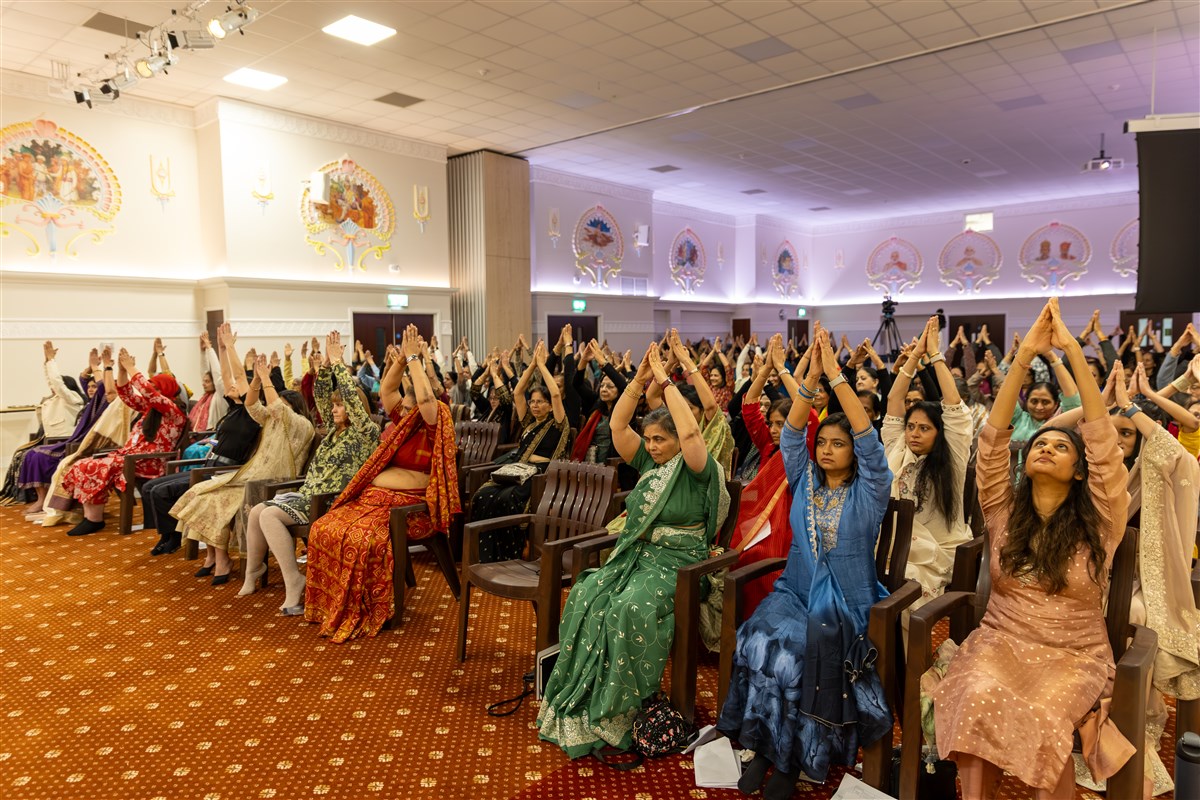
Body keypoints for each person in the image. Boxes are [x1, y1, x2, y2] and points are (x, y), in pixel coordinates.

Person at [931, 298, 1133, 800]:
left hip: (1072, 655)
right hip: (1001, 642)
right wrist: (1022, 360)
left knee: (1045, 713)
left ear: (1081, 472)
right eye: (1041, 443)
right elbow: (992, 441)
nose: (1045, 446)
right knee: (975, 695)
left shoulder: (1101, 521)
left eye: (1061, 446)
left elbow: (1103, 443)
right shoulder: (1004, 511)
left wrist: (1072, 351)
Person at [717, 327, 893, 798]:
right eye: (824, 443)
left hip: (844, 605)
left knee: (793, 656)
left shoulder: (871, 491)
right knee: (755, 637)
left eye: (838, 444)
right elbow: (793, 434)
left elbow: (869, 438)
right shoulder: (804, 480)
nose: (826, 450)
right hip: (795, 591)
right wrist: (809, 379)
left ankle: (790, 760)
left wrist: (837, 377)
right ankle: (762, 744)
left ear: (855, 452)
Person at [537, 342, 729, 758]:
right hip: (639, 557)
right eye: (650, 439)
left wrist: (666, 380)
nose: (653, 446)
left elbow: (693, 433)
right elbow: (619, 424)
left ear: (679, 441)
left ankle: (621, 707)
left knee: (629, 608)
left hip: (681, 565)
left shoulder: (698, 469)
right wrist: (638, 379)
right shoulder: (650, 464)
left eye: (661, 439)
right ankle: (588, 694)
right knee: (587, 592)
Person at [302, 328, 460, 642]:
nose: (406, 410)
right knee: (323, 527)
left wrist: (414, 357)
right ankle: (329, 605)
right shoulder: (406, 421)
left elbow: (426, 398)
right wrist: (401, 359)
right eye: (406, 407)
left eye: (411, 405)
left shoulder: (435, 421)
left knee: (361, 539)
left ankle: (370, 606)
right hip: (375, 500)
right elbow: (387, 390)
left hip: (410, 509)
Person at [239, 331, 381, 609]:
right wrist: (325, 367)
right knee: (256, 511)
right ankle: (253, 571)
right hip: (309, 496)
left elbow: (352, 400)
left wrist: (339, 364)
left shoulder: (366, 433)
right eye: (335, 406)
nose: (335, 409)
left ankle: (293, 579)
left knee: (268, 515)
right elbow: (320, 395)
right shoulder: (334, 432)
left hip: (332, 501)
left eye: (340, 406)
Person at [171, 350, 313, 582]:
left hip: (274, 484)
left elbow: (276, 407)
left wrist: (266, 378)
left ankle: (223, 561)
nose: (275, 407)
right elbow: (252, 404)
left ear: (294, 408)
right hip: (251, 477)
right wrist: (256, 379)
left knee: (215, 501)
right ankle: (217, 556)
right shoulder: (272, 421)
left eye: (284, 404)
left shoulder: (301, 425)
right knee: (199, 492)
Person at [143, 325, 262, 557]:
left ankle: (173, 538)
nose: (231, 385)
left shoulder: (251, 414)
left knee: (160, 491)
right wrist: (220, 348)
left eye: (239, 386)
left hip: (223, 472)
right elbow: (224, 376)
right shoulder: (233, 408)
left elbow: (236, 376)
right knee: (150, 487)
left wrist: (230, 348)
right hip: (210, 465)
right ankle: (166, 534)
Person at [883, 316, 972, 615]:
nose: (914, 434)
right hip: (893, 545)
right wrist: (913, 358)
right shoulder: (898, 447)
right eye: (911, 427)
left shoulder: (953, 457)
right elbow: (894, 398)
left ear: (940, 433)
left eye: (924, 429)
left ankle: (908, 643)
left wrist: (934, 355)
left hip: (936, 551)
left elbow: (954, 406)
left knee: (904, 585)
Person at [59, 348, 186, 537]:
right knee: (82, 464)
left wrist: (131, 367)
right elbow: (126, 394)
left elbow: (149, 393)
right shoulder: (150, 409)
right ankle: (92, 518)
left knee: (95, 466)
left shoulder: (173, 411)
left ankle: (94, 520)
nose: (151, 392)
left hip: (150, 462)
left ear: (167, 390)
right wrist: (122, 370)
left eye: (157, 388)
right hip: (131, 458)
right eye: (152, 387)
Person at [468, 340, 569, 563]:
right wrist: (532, 365)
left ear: (549, 405)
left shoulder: (558, 424)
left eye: (540, 402)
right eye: (533, 402)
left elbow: (555, 394)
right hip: (517, 470)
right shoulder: (529, 423)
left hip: (540, 474)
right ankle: (485, 555)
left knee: (507, 499)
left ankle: (509, 555)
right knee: (483, 495)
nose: (535, 405)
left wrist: (542, 366)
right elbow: (518, 393)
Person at [19, 346, 105, 517]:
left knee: (39, 456)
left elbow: (59, 384)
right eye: (89, 387)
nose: (90, 389)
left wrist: (51, 361)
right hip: (71, 441)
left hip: (81, 445)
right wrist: (90, 368)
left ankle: (47, 500)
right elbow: (81, 379)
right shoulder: (89, 402)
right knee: (30, 454)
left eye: (94, 387)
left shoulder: (89, 400)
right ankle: (41, 498)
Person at [569, 339, 628, 463]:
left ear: (618, 391)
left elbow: (624, 386)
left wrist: (603, 361)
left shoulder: (625, 408)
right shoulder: (596, 403)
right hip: (591, 460)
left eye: (610, 387)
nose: (604, 389)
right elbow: (577, 383)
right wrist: (584, 360)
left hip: (614, 463)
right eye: (602, 386)